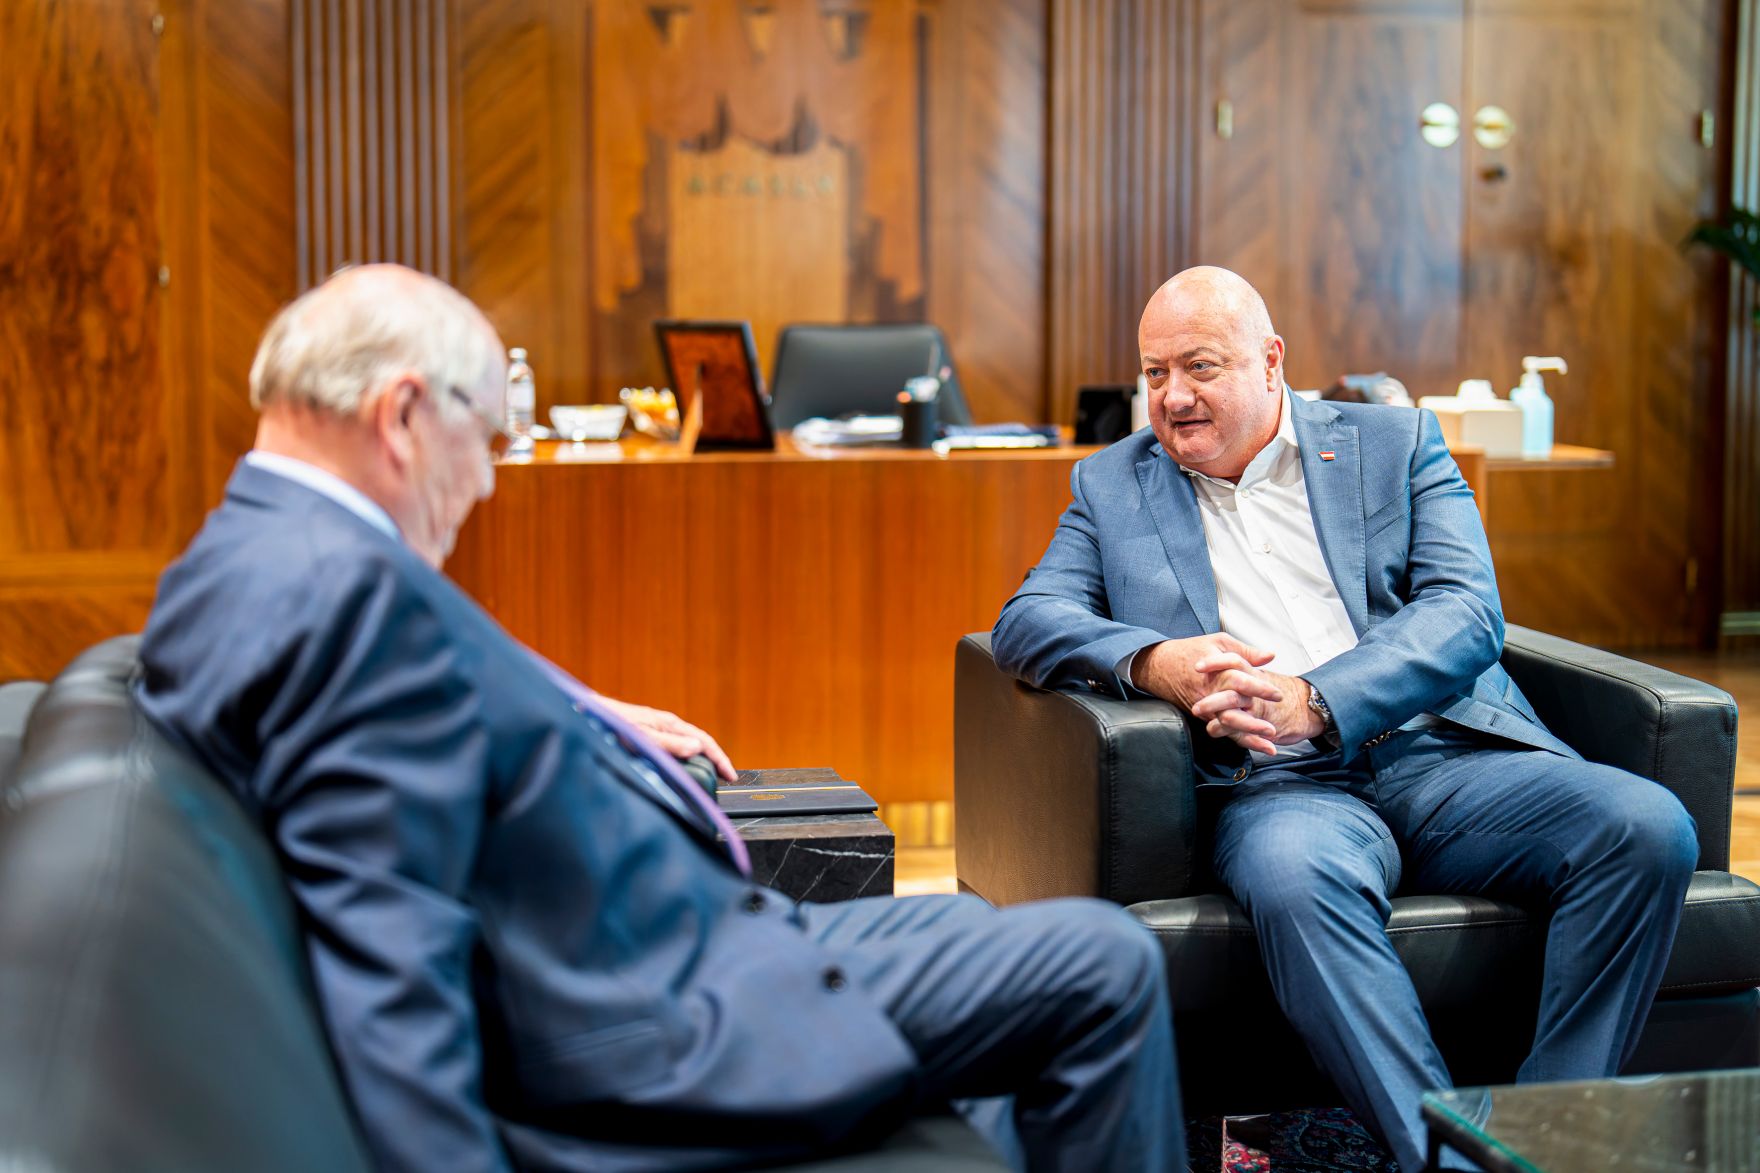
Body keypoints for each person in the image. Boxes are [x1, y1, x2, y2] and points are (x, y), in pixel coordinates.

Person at [133, 265, 1180, 1173]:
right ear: (403, 414)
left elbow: (423, 727)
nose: (489, 477)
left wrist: (574, 705)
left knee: (963, 920)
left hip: (660, 947)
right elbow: (390, 948)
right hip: (659, 1014)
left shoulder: (259, 553)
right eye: (486, 437)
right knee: (1104, 963)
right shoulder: (338, 598)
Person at [992, 266, 1697, 1173]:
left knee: (1646, 826)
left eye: (1200, 367)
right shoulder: (1113, 485)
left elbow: (1467, 611)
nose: (1172, 397)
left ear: (1273, 361)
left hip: (1439, 750)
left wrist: (1319, 699)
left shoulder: (1391, 441)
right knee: (1292, 880)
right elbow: (1026, 621)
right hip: (1275, 785)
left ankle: (1548, 1137)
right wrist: (1152, 661)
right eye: (1154, 373)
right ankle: (1445, 1158)